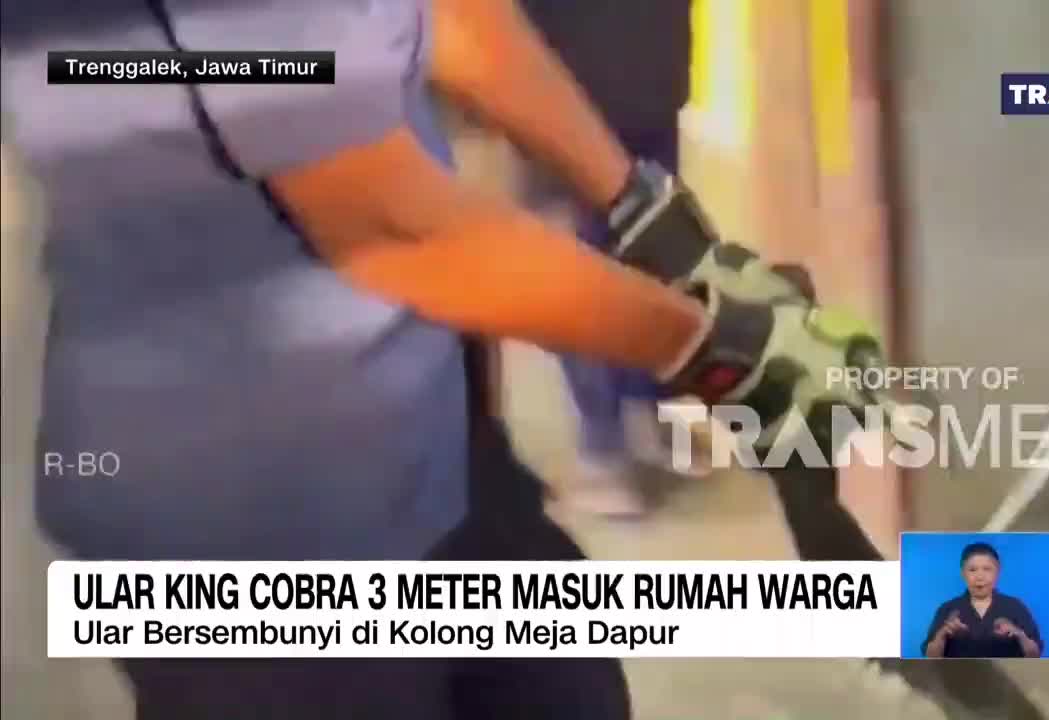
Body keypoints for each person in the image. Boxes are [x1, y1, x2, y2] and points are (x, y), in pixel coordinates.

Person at [3, 1, 882, 718]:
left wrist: (657, 223)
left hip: (422, 441)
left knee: (564, 692)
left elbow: (451, 17)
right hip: (250, 527)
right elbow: (395, 233)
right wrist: (717, 348)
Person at [519, 0, 701, 516]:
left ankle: (606, 450)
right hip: (651, 78)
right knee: (651, 242)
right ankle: (649, 416)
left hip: (569, 88)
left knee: (578, 262)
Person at [922, 542, 1043, 659]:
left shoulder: (1015, 606)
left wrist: (1018, 633)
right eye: (972, 570)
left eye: (987, 569)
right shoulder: (947, 609)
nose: (980, 577)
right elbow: (930, 656)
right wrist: (943, 633)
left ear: (997, 572)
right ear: (963, 573)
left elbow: (1035, 654)